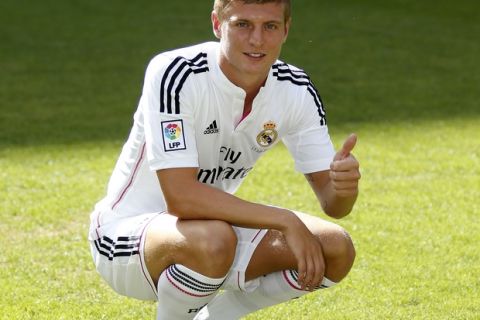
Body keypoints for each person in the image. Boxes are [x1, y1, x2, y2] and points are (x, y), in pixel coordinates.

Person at [88, 0, 361, 319]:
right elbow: (182, 199)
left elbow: (334, 205)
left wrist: (345, 187)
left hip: (212, 236)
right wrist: (284, 219)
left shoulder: (296, 89)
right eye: (243, 24)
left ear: (286, 30)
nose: (257, 40)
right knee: (214, 239)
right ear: (217, 25)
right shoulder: (176, 73)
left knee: (335, 249)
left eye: (270, 26)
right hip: (124, 238)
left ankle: (218, 317)